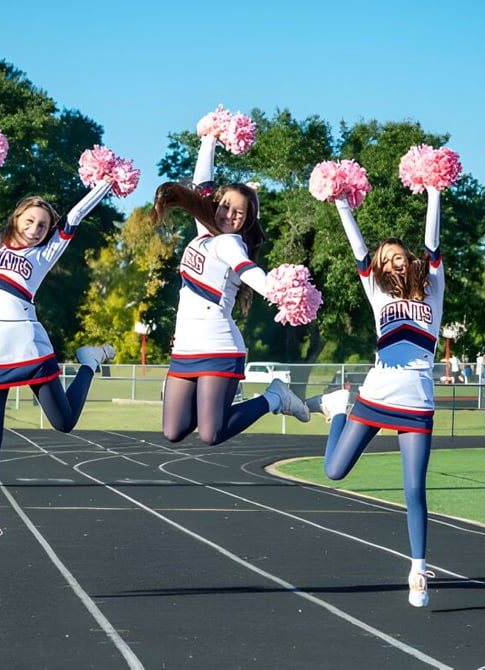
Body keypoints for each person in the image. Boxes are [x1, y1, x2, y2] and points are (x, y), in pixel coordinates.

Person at [0, 157, 117, 557]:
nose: (35, 230)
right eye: (30, 222)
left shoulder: (44, 255)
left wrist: (107, 181)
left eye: (42, 226)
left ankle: (88, 363)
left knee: (63, 423)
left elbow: (76, 216)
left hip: (29, 346)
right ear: (16, 219)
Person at [311, 180, 446, 608]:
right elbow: (358, 250)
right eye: (386, 259)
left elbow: (433, 243)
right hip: (374, 394)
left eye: (400, 256)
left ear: (410, 261)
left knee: (413, 488)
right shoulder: (377, 294)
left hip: (418, 402)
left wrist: (435, 192)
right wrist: (339, 202)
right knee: (334, 471)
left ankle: (418, 571)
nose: (395, 263)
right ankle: (337, 410)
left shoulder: (433, 291)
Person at [151, 121, 311, 447]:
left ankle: (274, 398)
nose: (230, 215)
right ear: (216, 205)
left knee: (212, 434)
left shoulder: (230, 243)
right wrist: (211, 136)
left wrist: (281, 292)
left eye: (240, 213)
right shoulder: (204, 233)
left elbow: (248, 270)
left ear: (246, 220)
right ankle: (225, 406)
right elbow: (201, 182)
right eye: (226, 207)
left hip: (218, 346)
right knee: (173, 430)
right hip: (185, 346)